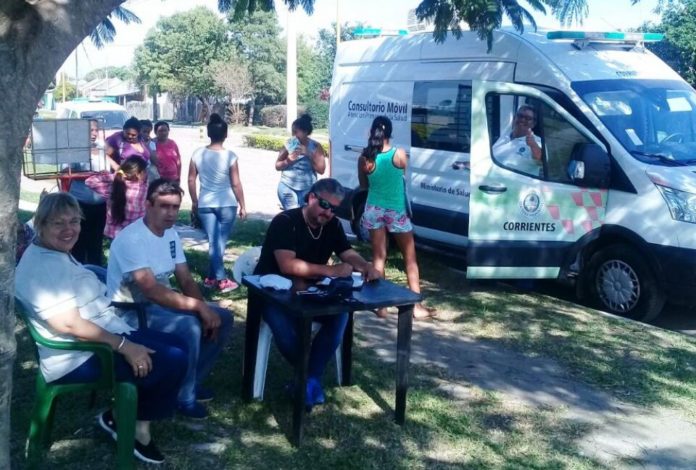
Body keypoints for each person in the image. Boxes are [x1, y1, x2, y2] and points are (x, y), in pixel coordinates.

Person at [15, 192, 188, 465]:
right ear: (41, 224)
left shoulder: (53, 252)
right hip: (78, 355)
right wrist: (125, 346)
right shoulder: (43, 266)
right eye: (59, 223)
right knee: (172, 358)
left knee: (178, 345)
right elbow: (68, 323)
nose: (69, 229)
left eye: (74, 221)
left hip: (102, 333)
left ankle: (123, 418)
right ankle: (133, 428)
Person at [107, 179, 233, 419]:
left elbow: (185, 279)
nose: (171, 213)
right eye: (164, 206)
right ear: (148, 205)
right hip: (130, 312)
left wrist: (204, 310)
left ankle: (190, 381)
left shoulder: (171, 235)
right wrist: (198, 308)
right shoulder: (131, 239)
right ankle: (184, 398)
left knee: (222, 318)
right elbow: (151, 289)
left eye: (175, 207)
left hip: (160, 306)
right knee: (189, 326)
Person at [253, 178, 381, 408]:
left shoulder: (332, 225)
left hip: (310, 292)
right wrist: (331, 270)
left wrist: (365, 266)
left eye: (334, 209)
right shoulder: (285, 221)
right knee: (285, 328)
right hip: (273, 293)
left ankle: (307, 380)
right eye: (324, 205)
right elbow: (287, 265)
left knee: (340, 314)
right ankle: (309, 379)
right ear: (311, 197)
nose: (328, 212)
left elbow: (347, 252)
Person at [357, 116, 436, 320]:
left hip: (373, 209)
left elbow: (364, 186)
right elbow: (402, 178)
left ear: (372, 132)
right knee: (409, 258)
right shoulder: (399, 154)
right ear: (390, 133)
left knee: (378, 258)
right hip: (396, 211)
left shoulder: (364, 158)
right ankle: (416, 306)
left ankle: (380, 306)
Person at [188, 113, 247, 293]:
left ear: (208, 133)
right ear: (226, 134)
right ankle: (221, 279)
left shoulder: (197, 154)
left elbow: (191, 180)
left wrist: (194, 201)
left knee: (215, 242)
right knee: (218, 242)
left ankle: (211, 278)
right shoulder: (230, 156)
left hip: (205, 203)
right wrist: (243, 205)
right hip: (227, 203)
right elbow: (236, 183)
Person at [70, 119, 108, 265]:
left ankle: (95, 272)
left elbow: (107, 170)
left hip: (100, 204)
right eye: (90, 130)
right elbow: (65, 172)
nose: (94, 133)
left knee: (96, 241)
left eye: (96, 130)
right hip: (80, 204)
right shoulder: (75, 149)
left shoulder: (102, 147)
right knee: (79, 240)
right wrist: (89, 175)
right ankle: (77, 270)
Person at [86, 156, 148, 239]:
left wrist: (111, 175)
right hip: (134, 234)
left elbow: (89, 181)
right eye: (145, 171)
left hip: (113, 234)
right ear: (138, 175)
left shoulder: (113, 188)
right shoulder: (143, 189)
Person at [275, 114, 326, 210]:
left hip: (308, 188)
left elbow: (321, 170)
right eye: (292, 132)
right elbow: (277, 166)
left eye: (296, 132)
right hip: (287, 186)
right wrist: (287, 161)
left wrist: (308, 154)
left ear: (305, 132)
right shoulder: (290, 144)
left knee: (304, 215)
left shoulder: (315, 146)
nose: (293, 135)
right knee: (293, 214)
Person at [491, 104, 543, 175]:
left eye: (528, 118)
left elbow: (541, 160)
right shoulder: (504, 135)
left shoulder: (537, 141)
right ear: (514, 118)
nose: (522, 120)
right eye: (520, 116)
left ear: (533, 123)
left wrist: (533, 145)